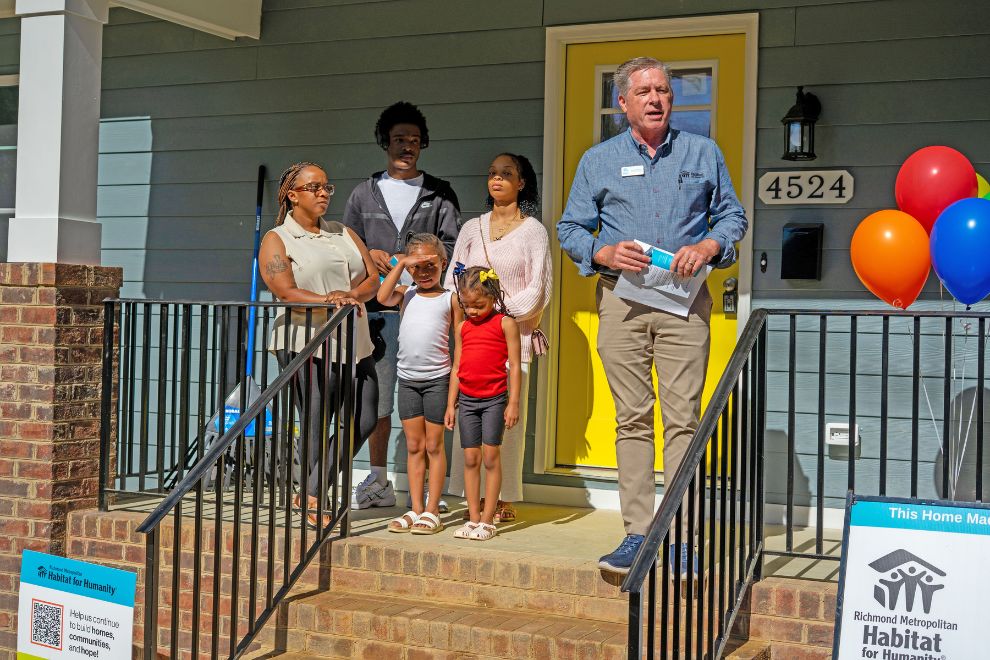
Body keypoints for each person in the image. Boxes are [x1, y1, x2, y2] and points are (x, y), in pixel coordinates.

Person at [556, 57, 748, 574]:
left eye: (663, 90)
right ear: (624, 103)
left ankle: (682, 537)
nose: (656, 99)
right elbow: (570, 228)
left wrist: (710, 245)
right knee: (632, 419)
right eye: (643, 92)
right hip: (622, 300)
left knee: (683, 420)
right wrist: (602, 253)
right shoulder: (598, 160)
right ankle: (638, 534)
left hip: (684, 304)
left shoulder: (703, 152)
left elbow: (733, 216)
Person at [342, 101, 461, 511]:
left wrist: (417, 259)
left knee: (429, 399)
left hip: (425, 311)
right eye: (398, 140)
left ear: (422, 144)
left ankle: (430, 491)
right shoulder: (363, 192)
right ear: (384, 143)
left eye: (413, 140)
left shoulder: (440, 193)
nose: (406, 147)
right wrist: (368, 254)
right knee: (380, 401)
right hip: (376, 312)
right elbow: (347, 246)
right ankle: (378, 482)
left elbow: (451, 247)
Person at [259, 161, 380, 529]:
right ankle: (313, 496)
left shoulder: (343, 231)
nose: (324, 193)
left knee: (365, 418)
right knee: (315, 420)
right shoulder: (278, 238)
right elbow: (283, 290)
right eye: (314, 188)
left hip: (355, 339)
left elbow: (373, 279)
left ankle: (309, 490)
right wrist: (330, 302)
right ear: (292, 195)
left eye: (327, 187)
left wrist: (350, 295)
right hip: (307, 340)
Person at [444, 153, 552, 523]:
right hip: (472, 337)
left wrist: (499, 314)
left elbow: (538, 287)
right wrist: (470, 311)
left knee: (503, 421)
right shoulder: (472, 228)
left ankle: (501, 498)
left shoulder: (534, 231)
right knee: (470, 415)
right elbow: (453, 279)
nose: (497, 179)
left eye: (506, 174)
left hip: (510, 336)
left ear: (522, 183)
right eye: (492, 173)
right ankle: (469, 497)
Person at [378, 234, 462, 535]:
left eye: (431, 265)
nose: (424, 272)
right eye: (418, 266)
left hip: (438, 380)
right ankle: (414, 509)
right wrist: (401, 264)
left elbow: (461, 347)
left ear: (443, 264)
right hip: (409, 381)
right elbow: (381, 297)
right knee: (414, 445)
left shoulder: (449, 298)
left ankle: (432, 509)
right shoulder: (405, 294)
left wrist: (453, 398)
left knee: (433, 445)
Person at [445, 266, 522, 542]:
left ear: (493, 297)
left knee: (490, 457)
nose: (473, 311)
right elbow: (457, 367)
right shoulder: (463, 327)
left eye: (479, 305)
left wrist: (513, 403)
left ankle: (488, 520)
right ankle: (473, 517)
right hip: (466, 400)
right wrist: (450, 404)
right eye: (467, 306)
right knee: (470, 458)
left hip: (494, 400)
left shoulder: (505, 323)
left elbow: (514, 366)